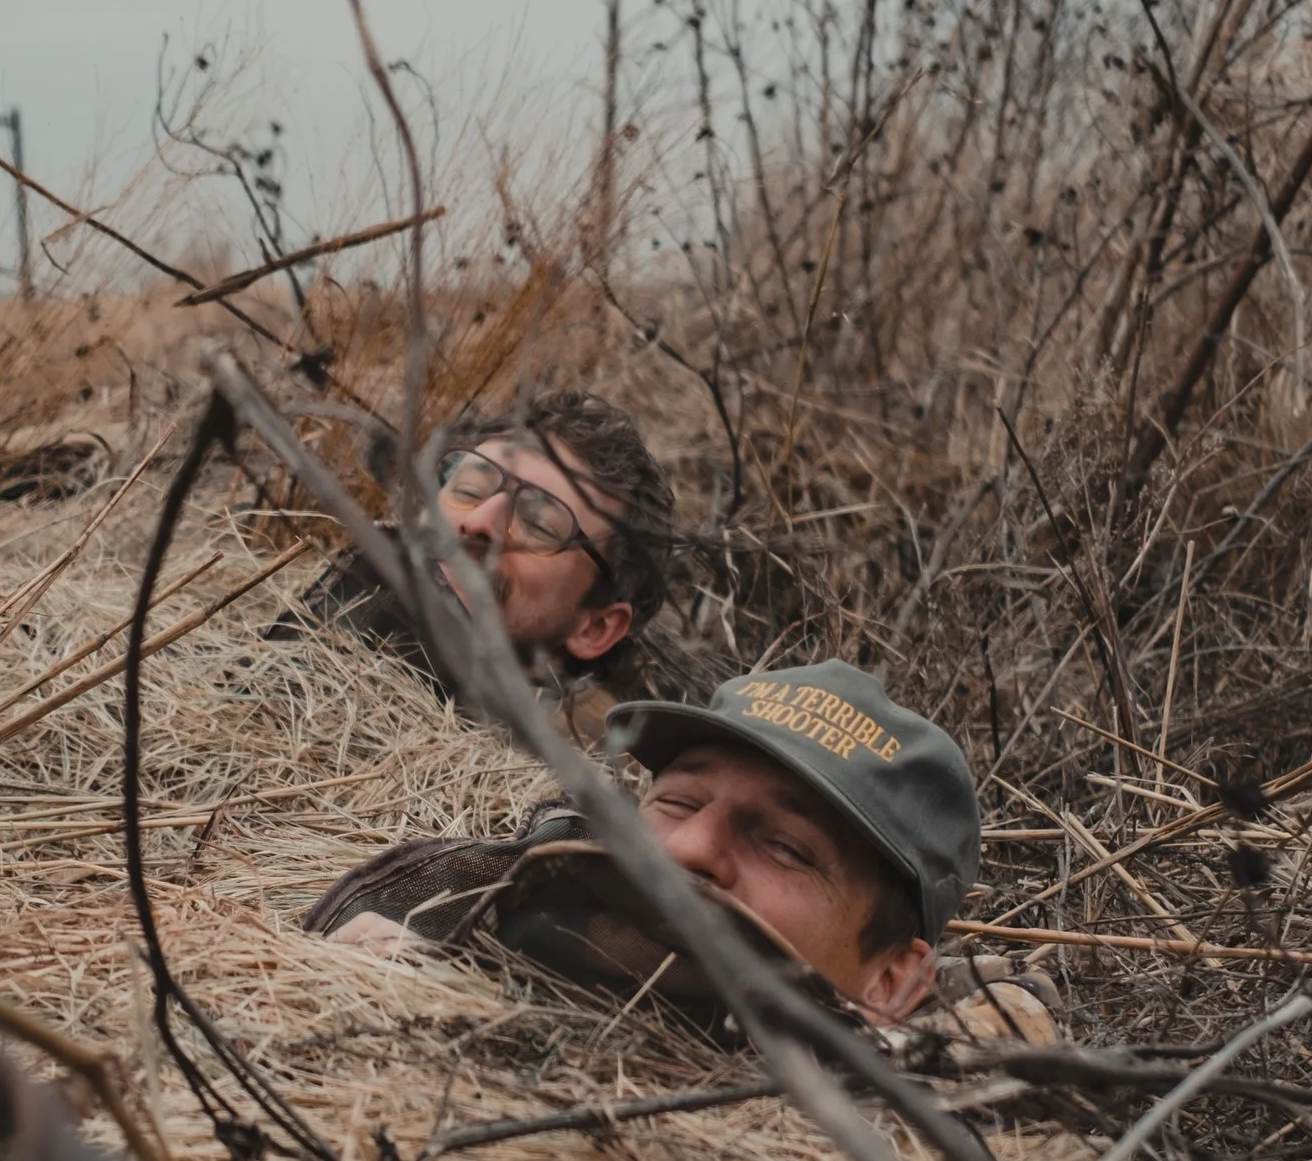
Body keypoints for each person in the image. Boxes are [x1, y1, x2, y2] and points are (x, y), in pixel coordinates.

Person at [307, 656, 988, 1026]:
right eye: (679, 801)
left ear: (892, 979)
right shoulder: (444, 920)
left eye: (785, 846)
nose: (687, 849)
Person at [291, 390, 682, 729]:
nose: (478, 523)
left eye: (539, 526)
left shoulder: (554, 798)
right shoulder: (291, 623)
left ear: (595, 628)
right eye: (468, 490)